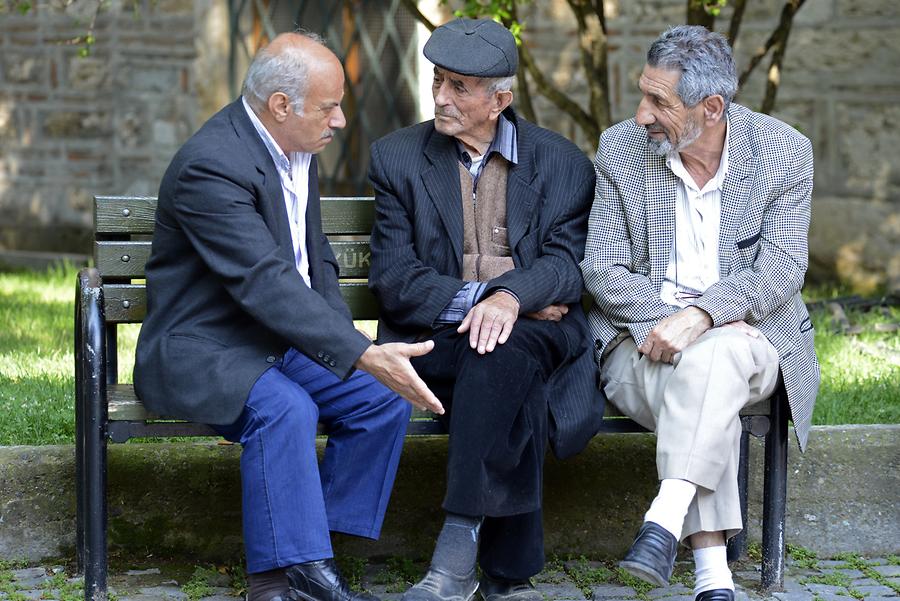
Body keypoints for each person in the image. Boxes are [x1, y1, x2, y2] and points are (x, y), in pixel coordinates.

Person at [134, 31, 445, 601]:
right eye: (330, 106)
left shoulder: (298, 148)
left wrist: (355, 354)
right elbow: (264, 280)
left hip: (275, 342)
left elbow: (314, 262)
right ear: (281, 105)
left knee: (381, 400)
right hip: (204, 347)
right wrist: (362, 351)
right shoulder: (211, 165)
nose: (342, 120)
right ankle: (285, 578)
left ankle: (307, 549)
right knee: (286, 409)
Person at [367, 18, 603, 601]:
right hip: (436, 337)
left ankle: (454, 552)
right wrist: (491, 299)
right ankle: (508, 571)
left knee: (505, 346)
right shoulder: (397, 158)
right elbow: (395, 278)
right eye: (438, 81)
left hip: (538, 334)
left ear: (500, 99)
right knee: (498, 352)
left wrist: (515, 296)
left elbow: (566, 266)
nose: (441, 97)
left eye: (459, 86)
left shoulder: (561, 162)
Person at [580, 25, 819, 601]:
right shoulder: (620, 150)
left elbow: (782, 268)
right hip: (642, 344)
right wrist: (670, 320)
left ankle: (664, 516)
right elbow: (602, 268)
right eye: (643, 93)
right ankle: (713, 578)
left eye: (659, 101)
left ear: (711, 108)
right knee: (706, 379)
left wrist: (706, 315)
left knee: (717, 353)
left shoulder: (783, 152)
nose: (642, 114)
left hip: (752, 341)